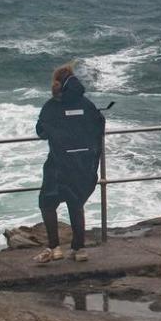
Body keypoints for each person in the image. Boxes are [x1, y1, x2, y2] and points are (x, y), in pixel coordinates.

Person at [33, 63, 106, 264]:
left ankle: (54, 247)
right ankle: (79, 249)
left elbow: (41, 132)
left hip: (59, 164)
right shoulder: (86, 104)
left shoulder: (52, 105)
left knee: (47, 203)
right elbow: (98, 126)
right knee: (76, 203)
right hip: (83, 164)